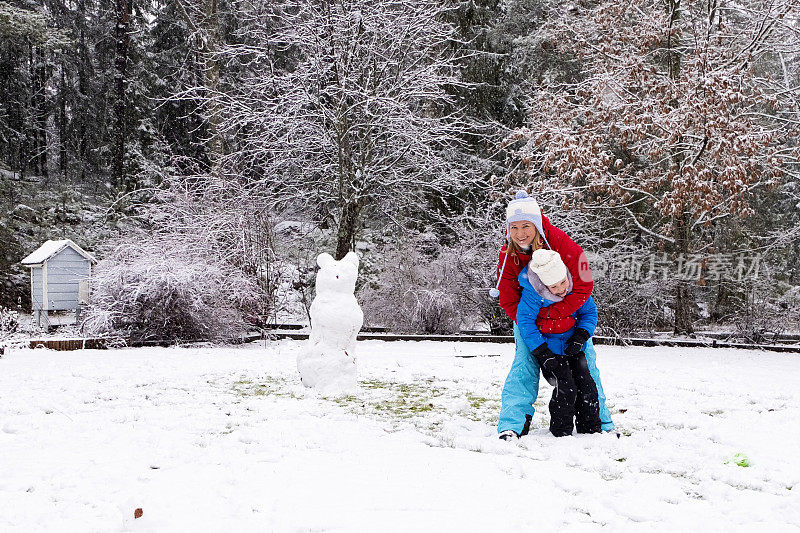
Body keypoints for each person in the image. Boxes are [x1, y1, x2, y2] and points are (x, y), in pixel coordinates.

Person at [491, 191, 614, 439]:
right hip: (530, 323)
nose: (520, 233)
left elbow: (584, 283)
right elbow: (507, 298)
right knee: (523, 367)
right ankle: (512, 425)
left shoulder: (560, 242)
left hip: (570, 318)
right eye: (514, 227)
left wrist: (560, 316)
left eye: (526, 226)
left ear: (537, 224)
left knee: (587, 365)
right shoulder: (509, 255)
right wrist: (536, 324)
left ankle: (601, 423)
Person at [512, 249, 602, 437]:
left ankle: (591, 429)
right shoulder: (533, 295)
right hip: (549, 351)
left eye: (563, 282)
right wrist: (542, 353)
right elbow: (526, 323)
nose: (561, 289)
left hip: (573, 347)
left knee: (587, 385)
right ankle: (561, 431)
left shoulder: (574, 289)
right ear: (544, 285)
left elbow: (590, 312)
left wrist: (580, 336)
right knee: (566, 386)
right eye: (554, 287)